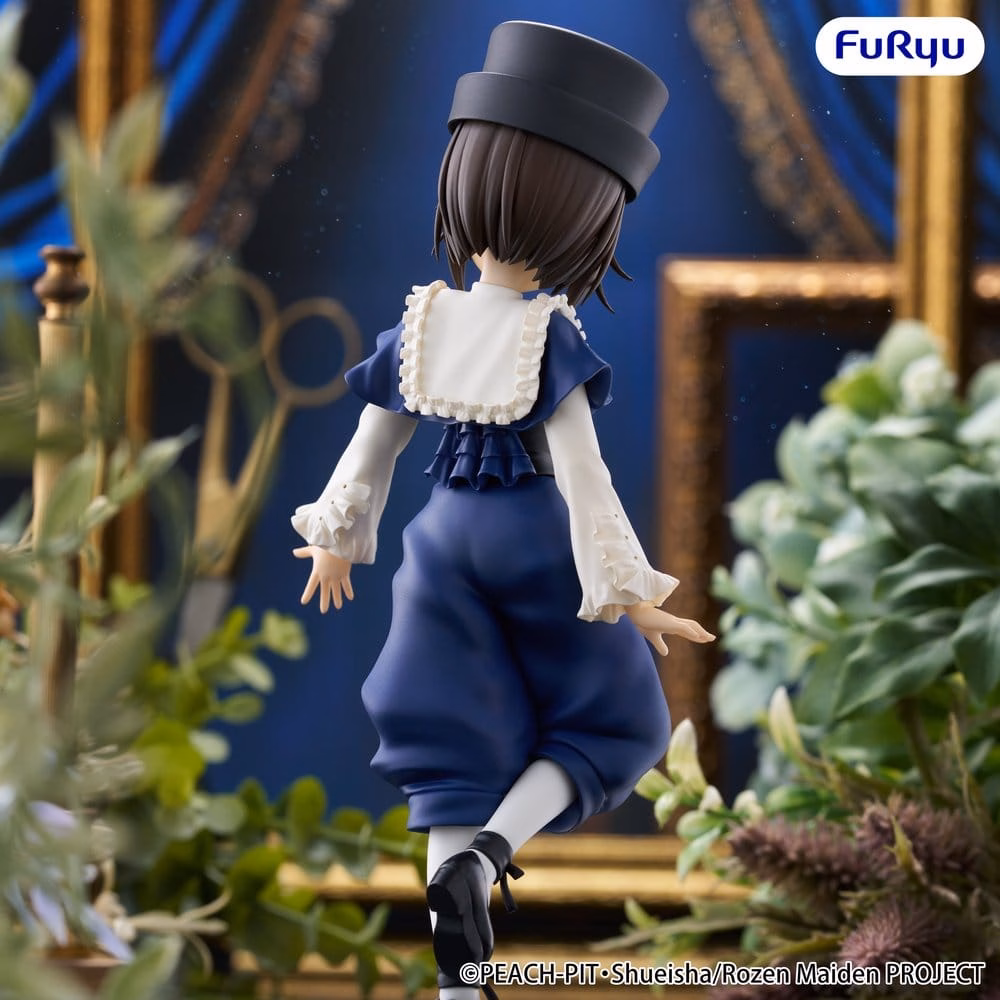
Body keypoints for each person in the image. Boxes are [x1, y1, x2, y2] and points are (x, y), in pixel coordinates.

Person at [291, 21, 714, 1000]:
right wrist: (626, 591)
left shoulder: (419, 323)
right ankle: (484, 858)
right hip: (530, 536)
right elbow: (583, 476)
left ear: (463, 181)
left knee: (449, 735)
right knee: (617, 725)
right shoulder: (550, 338)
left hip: (440, 540)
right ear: (587, 222)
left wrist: (337, 538)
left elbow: (373, 445)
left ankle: (458, 980)